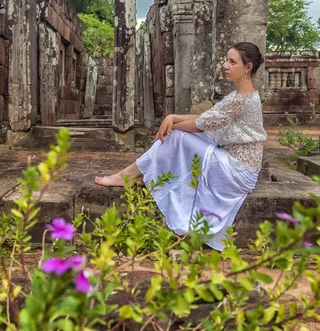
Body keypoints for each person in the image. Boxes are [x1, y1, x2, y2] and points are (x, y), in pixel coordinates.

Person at [94, 42, 268, 250]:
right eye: (226, 60)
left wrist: (172, 124)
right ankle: (142, 173)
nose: (225, 66)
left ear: (247, 67)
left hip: (238, 172)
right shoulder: (238, 96)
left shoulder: (241, 100)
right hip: (233, 164)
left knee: (176, 136)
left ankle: (128, 175)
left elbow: (201, 124)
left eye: (232, 62)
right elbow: (207, 117)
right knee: (177, 134)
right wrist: (172, 117)